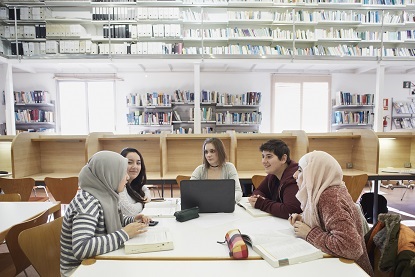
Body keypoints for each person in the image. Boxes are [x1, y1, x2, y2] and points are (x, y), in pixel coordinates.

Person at [60, 151, 151, 276]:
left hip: (99, 260)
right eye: (123, 173)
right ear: (109, 175)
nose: (127, 177)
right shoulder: (87, 202)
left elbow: (106, 221)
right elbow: (82, 248)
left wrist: (131, 220)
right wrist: (124, 233)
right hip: (80, 270)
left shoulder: (106, 195)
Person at [289, 150, 373, 276]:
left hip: (353, 271)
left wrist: (309, 233)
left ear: (315, 174)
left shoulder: (330, 198)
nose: (295, 175)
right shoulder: (327, 190)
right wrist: (304, 219)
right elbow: (330, 224)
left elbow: (352, 248)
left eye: (300, 170)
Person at [248, 139, 302, 219]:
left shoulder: (294, 177)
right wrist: (257, 197)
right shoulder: (274, 173)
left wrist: (262, 203)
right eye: (263, 156)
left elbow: (290, 211)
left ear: (283, 159)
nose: (263, 161)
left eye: (269, 157)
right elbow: (260, 190)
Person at [191, 137, 243, 202]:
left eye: (212, 151)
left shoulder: (229, 168)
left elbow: (238, 191)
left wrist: (229, 200)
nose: (208, 155)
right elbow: (190, 191)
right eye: (206, 152)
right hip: (204, 206)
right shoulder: (200, 170)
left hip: (224, 206)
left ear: (220, 152)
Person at [118, 147, 152, 216]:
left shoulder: (133, 182)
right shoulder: (120, 185)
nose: (135, 166)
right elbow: (129, 211)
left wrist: (147, 196)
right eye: (130, 162)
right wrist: (142, 203)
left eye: (138, 163)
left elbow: (145, 189)